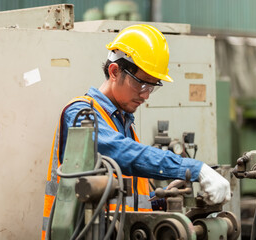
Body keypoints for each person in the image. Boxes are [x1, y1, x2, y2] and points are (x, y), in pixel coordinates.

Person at [41, 24, 230, 239]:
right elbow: (122, 153)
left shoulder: (124, 122)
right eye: (141, 84)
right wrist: (195, 169)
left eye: (152, 86)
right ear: (114, 72)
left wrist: (163, 197)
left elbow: (130, 197)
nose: (146, 95)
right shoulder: (82, 114)